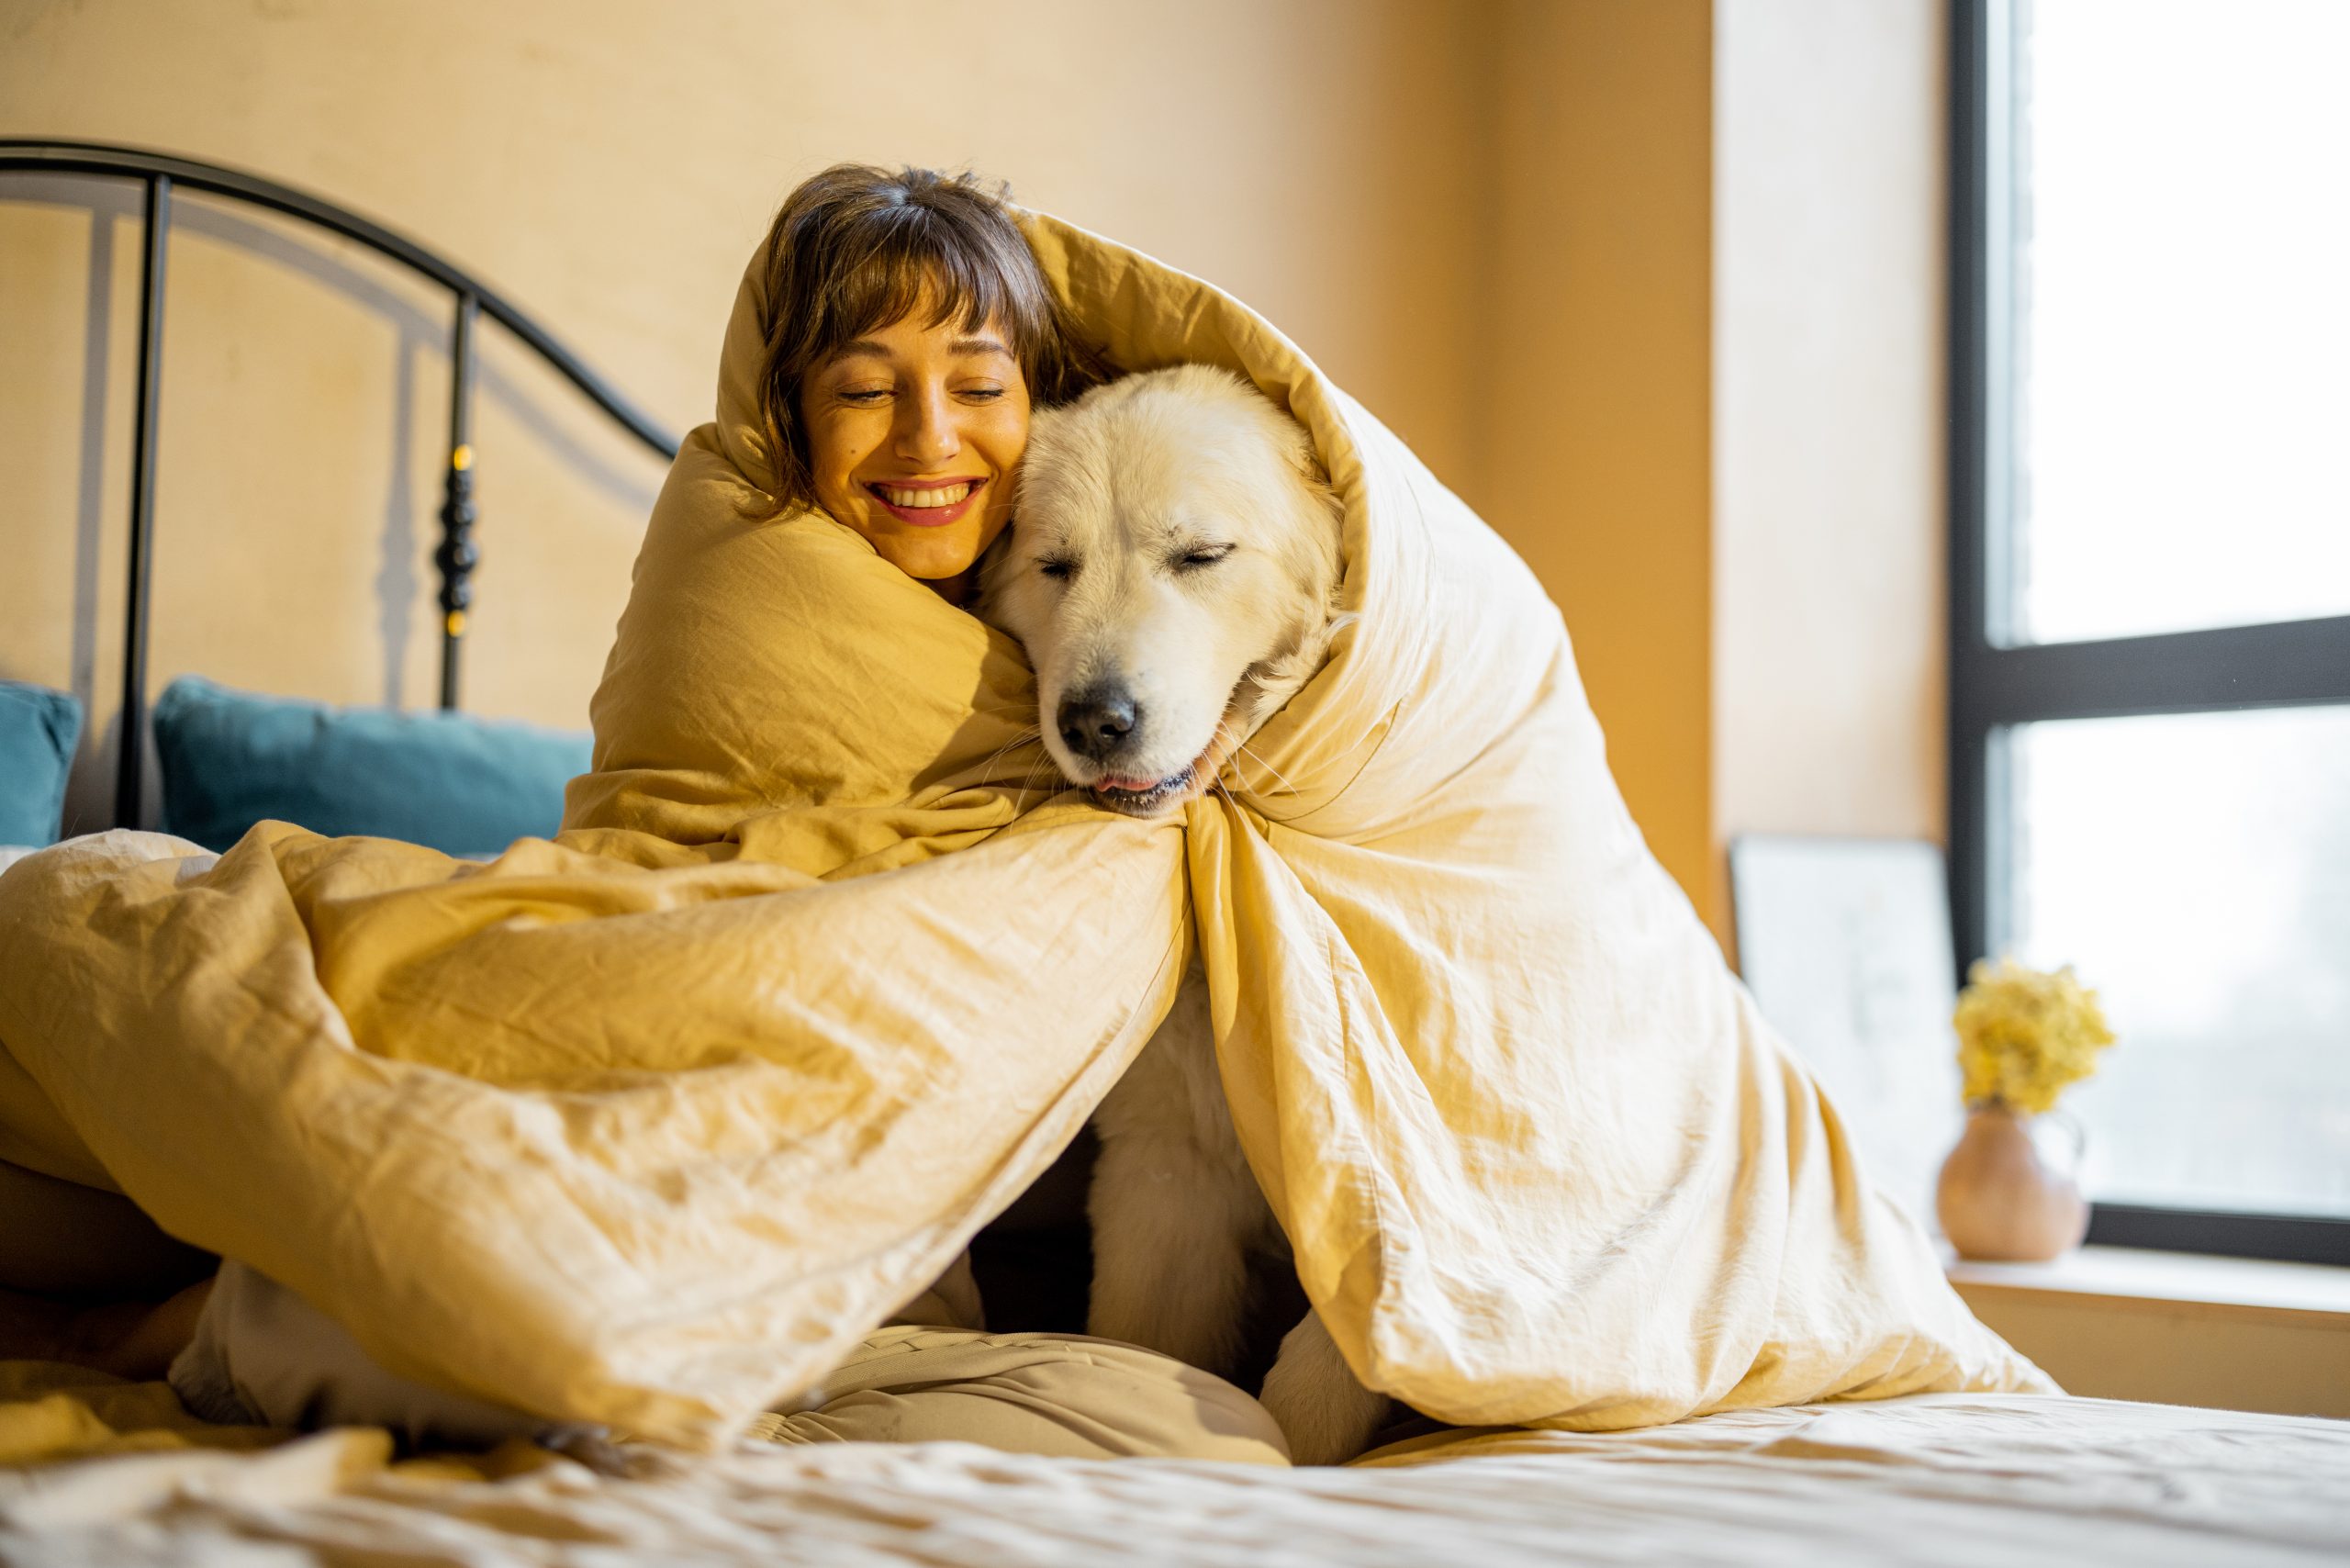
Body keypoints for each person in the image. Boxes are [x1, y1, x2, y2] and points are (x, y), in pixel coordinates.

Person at [0, 163, 1292, 1467]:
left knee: (1197, 1435)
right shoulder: (743, 558)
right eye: (861, 388)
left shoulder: (1087, 631)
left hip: (846, 1257)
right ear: (786, 412)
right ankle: (204, 1318)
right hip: (583, 1066)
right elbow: (679, 895)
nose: (928, 439)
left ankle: (426, 1306)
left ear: (1041, 405)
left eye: (978, 384)